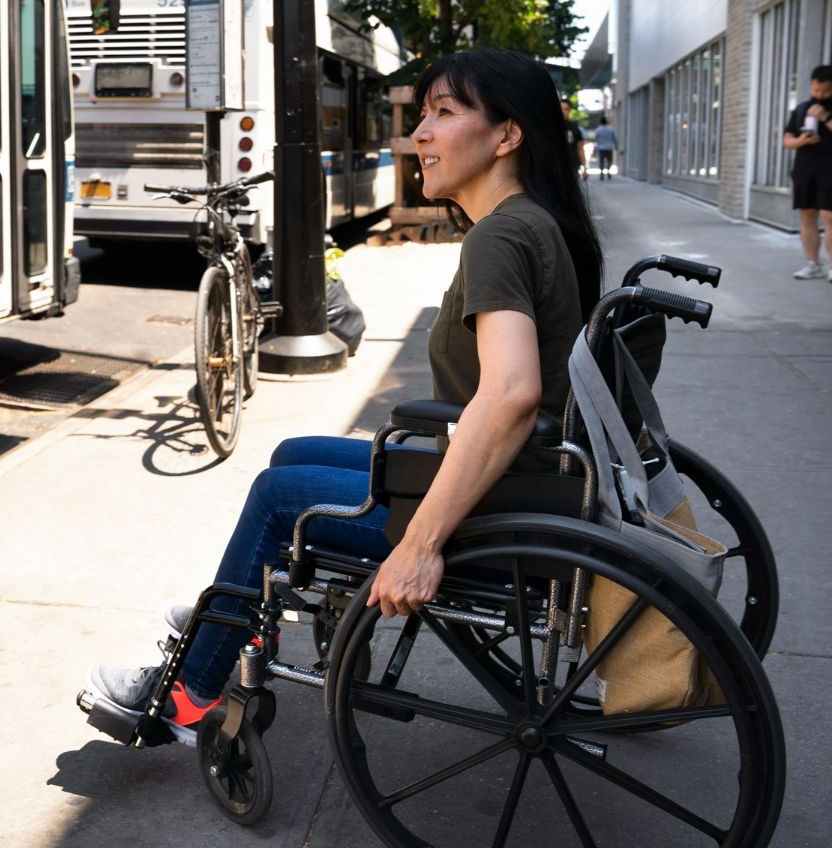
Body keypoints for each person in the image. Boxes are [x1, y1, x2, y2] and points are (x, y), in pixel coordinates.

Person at [88, 50, 605, 724]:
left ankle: (189, 694)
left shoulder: (502, 238)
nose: (418, 134)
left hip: (501, 501)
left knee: (278, 497)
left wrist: (419, 546)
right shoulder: (531, 221)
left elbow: (509, 396)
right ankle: (241, 606)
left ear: (508, 135)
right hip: (533, 481)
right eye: (421, 114)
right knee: (293, 454)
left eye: (443, 114)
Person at [781, 65, 832, 282]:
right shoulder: (801, 108)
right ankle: (812, 264)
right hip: (804, 168)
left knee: (830, 216)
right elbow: (786, 141)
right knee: (807, 215)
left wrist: (825, 118)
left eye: (825, 91)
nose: (820, 95)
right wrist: (802, 141)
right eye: (816, 90)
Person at [561, 99, 587, 182]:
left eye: (566, 109)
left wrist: (584, 167)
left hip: (572, 166)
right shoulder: (550, 127)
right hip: (556, 167)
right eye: (560, 109)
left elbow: (580, 148)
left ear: (569, 111)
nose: (563, 112)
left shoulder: (574, 128)